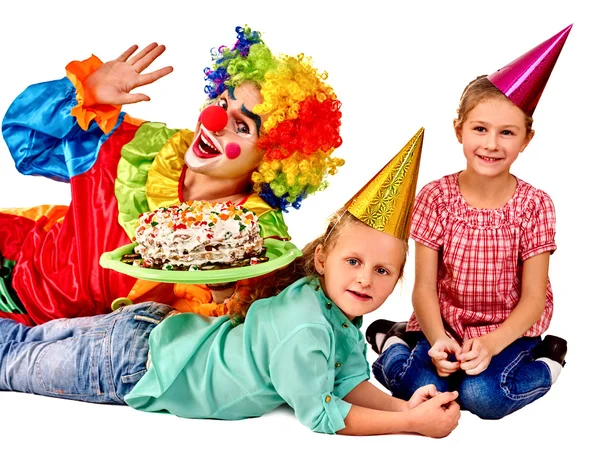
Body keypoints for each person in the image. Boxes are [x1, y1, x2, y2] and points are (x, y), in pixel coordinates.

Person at [0, 130, 461, 437]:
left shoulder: (328, 309)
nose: (365, 278)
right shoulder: (306, 326)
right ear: (321, 258)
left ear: (399, 278)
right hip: (135, 366)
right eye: (354, 261)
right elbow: (323, 414)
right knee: (10, 362)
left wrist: (402, 407)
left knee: (18, 341)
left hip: (150, 335)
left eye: (382, 271)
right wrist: (411, 427)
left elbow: (346, 379)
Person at [0, 26, 344, 325]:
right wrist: (85, 94)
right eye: (222, 104)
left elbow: (237, 331)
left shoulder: (258, 239)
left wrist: (223, 291)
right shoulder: (137, 146)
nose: (214, 122)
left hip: (82, 349)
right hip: (16, 277)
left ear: (275, 160)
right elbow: (25, 143)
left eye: (241, 126)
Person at [366, 25, 572, 420]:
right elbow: (424, 287)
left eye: (507, 133)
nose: (492, 144)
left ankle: (548, 362)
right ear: (459, 129)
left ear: (526, 139)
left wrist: (492, 344)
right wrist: (439, 340)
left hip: (508, 330)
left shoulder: (535, 205)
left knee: (482, 397)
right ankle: (394, 340)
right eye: (480, 129)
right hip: (443, 324)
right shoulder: (436, 197)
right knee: (423, 390)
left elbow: (532, 300)